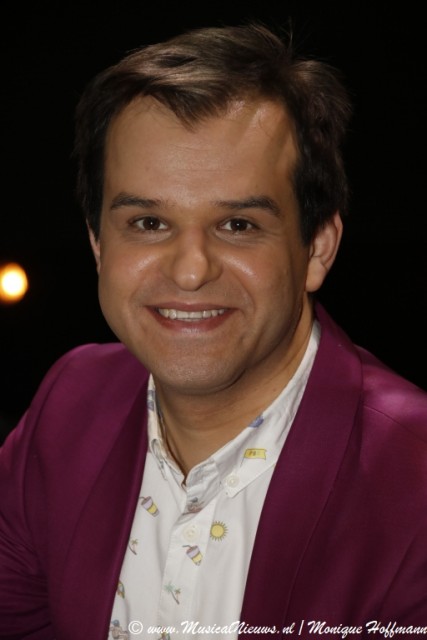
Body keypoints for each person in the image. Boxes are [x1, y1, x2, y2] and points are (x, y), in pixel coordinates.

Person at [1, 23, 426, 640]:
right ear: (97, 244)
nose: (190, 270)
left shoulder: (414, 480)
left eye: (238, 225)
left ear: (316, 248)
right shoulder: (69, 403)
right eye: (148, 222)